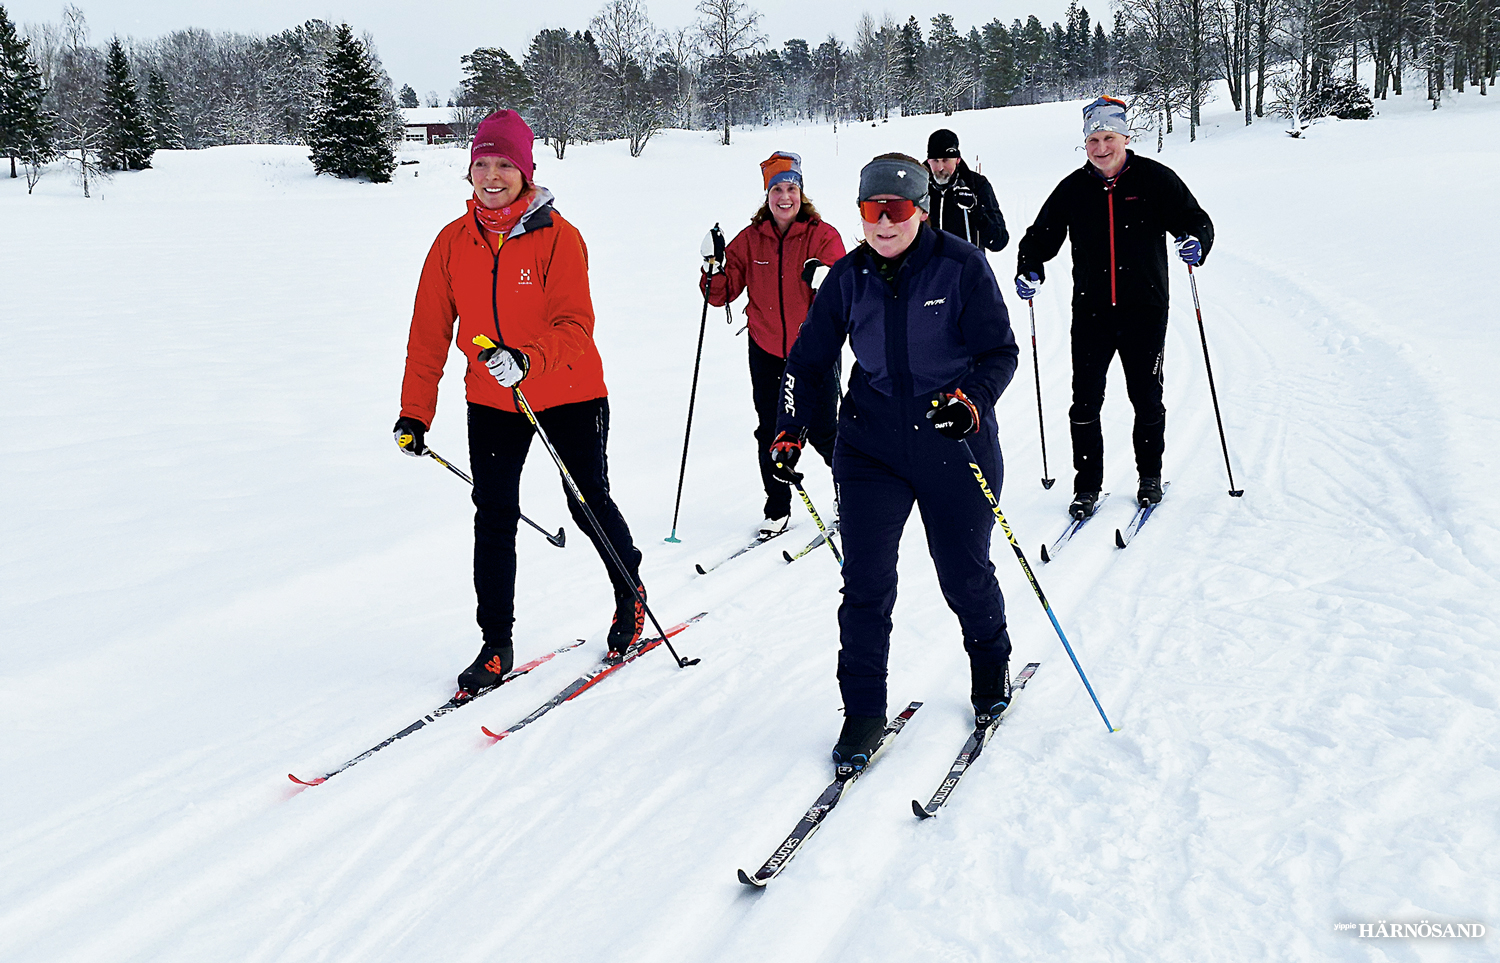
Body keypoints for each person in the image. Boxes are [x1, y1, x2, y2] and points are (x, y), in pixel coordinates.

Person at [771, 153, 1020, 770]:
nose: (883, 224)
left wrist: (972, 402)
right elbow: (807, 360)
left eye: (896, 210)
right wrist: (789, 430)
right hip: (871, 446)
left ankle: (990, 664)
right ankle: (862, 711)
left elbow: (1000, 353)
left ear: (919, 209)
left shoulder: (959, 267)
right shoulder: (848, 277)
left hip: (953, 441)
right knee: (865, 583)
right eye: (869, 210)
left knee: (963, 574)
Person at [394, 110, 647, 697]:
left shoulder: (560, 237)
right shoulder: (452, 244)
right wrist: (415, 412)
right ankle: (495, 643)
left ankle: (628, 590)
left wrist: (528, 358)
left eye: (504, 163)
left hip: (569, 391)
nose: (491, 175)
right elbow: (428, 333)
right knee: (494, 516)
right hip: (491, 401)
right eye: (481, 163)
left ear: (526, 170)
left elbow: (575, 325)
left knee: (585, 501)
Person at [1015, 96, 1214, 517]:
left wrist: (1196, 242)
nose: (1101, 147)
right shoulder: (1073, 188)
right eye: (1092, 139)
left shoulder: (1155, 180)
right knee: (1084, 401)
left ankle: (1149, 477)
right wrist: (1029, 268)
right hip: (1091, 313)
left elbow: (1194, 219)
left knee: (1145, 397)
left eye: (1108, 137)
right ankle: (1087, 486)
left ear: (1125, 136)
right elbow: (1040, 237)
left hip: (1145, 309)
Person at [700, 151, 846, 538]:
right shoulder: (751, 240)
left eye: (791, 188)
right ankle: (777, 507)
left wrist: (825, 276)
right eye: (777, 189)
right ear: (767, 195)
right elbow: (721, 294)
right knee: (771, 430)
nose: (785, 197)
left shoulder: (821, 234)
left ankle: (850, 493)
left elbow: (842, 286)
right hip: (765, 347)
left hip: (814, 351)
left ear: (802, 192)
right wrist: (712, 268)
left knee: (823, 429)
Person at [924, 129, 1009, 252]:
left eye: (946, 160)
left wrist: (975, 210)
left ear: (957, 160)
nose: (940, 167)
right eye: (935, 160)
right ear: (928, 161)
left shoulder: (977, 185)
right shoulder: (918, 186)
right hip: (928, 269)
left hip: (967, 267)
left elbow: (998, 241)